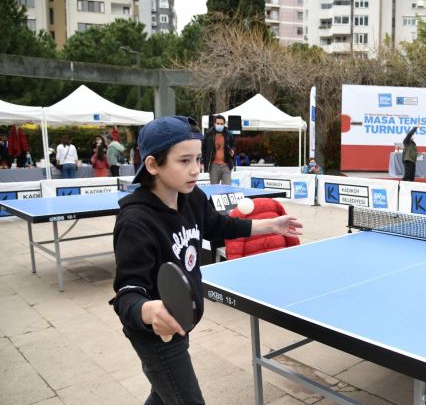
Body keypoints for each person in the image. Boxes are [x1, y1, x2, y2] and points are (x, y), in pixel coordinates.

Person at [111, 116, 302, 405]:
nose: (196, 169)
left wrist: (271, 225)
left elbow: (219, 226)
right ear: (152, 165)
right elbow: (127, 294)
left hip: (182, 318)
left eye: (199, 159)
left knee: (164, 395)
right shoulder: (135, 222)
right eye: (184, 160)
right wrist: (150, 311)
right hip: (156, 335)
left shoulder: (192, 198)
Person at [225, 197, 301, 259]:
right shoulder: (275, 205)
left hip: (253, 264)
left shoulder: (236, 215)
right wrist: (295, 256)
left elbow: (234, 252)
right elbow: (292, 241)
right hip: (280, 259)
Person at [202, 115, 235, 185]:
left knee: (227, 188)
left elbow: (233, 145)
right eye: (218, 123)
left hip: (226, 165)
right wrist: (202, 162)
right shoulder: (209, 134)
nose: (219, 125)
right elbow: (203, 148)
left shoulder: (228, 134)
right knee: (214, 188)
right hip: (213, 165)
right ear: (214, 123)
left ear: (224, 124)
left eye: (221, 124)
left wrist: (232, 150)